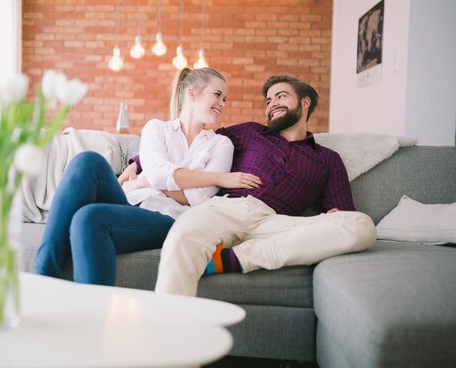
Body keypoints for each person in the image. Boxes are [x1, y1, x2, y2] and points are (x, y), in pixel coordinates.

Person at [122, 75, 377, 296]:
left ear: (305, 101)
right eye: (268, 101)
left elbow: (343, 213)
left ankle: (232, 259)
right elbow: (195, 141)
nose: (272, 104)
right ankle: (167, 342)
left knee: (362, 227)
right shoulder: (248, 132)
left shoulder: (328, 160)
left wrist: (334, 217)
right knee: (181, 239)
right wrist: (138, 162)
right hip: (223, 209)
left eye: (281, 96)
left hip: (273, 222)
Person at [34, 67, 253, 286]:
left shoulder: (221, 144)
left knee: (89, 217)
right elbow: (158, 175)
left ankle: (93, 315)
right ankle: (44, 275)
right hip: (129, 205)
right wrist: (214, 178)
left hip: (171, 219)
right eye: (217, 95)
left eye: (225, 98)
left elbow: (197, 198)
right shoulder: (156, 128)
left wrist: (146, 181)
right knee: (87, 160)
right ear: (192, 93)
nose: (222, 103)